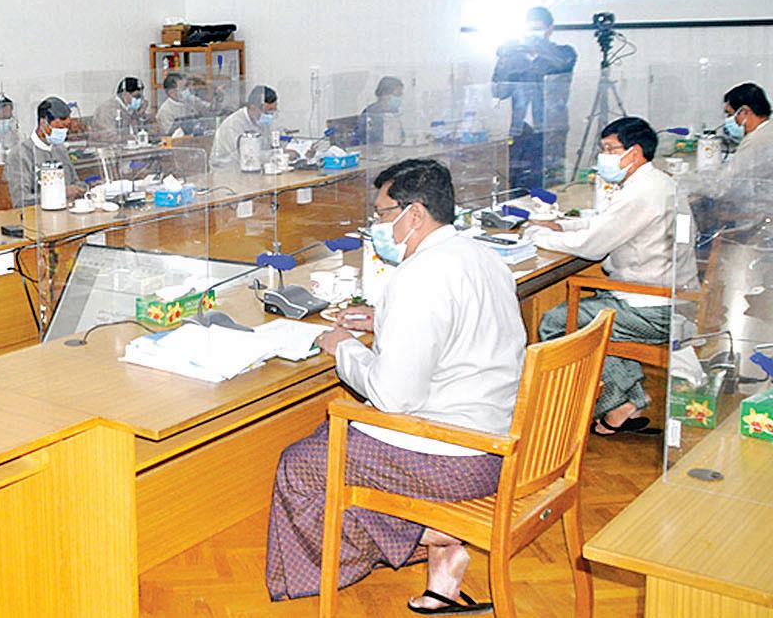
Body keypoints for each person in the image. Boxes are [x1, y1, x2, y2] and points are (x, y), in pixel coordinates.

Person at [267, 159, 525, 612]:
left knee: (301, 466)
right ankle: (443, 569)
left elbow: (392, 396)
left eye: (383, 214)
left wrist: (344, 347)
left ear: (415, 214)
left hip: (452, 459)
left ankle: (436, 532)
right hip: (495, 443)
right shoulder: (483, 256)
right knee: (330, 447)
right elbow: (458, 328)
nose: (377, 226)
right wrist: (384, 319)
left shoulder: (418, 277)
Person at [528, 117, 697, 436]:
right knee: (596, 310)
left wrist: (537, 237)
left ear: (634, 152)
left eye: (609, 149)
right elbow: (604, 224)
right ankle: (627, 400)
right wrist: (560, 226)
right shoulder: (655, 183)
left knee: (557, 322)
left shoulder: (642, 192)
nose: (603, 157)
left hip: (654, 309)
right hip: (664, 296)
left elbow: (592, 246)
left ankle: (614, 403)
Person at [492, 6, 578, 189]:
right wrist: (506, 57)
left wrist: (537, 47)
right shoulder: (516, 56)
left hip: (550, 128)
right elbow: (499, 91)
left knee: (550, 183)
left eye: (537, 29)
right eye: (529, 29)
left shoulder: (564, 53)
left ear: (550, 29)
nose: (532, 34)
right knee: (518, 183)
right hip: (520, 129)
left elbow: (561, 65)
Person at [4, 96, 84, 207]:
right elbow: (20, 200)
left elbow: (75, 182)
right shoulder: (20, 154)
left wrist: (86, 188)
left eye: (66, 128)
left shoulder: (60, 149)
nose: (64, 132)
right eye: (60, 128)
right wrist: (61, 193)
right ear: (43, 123)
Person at [720, 82, 773, 177]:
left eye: (730, 114)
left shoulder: (755, 141)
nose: (728, 120)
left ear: (744, 111)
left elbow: (726, 180)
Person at [212, 85, 282, 169]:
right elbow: (246, 155)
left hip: (253, 168)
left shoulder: (261, 121)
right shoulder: (233, 125)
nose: (270, 115)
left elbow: (271, 143)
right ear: (253, 108)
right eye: (268, 111)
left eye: (273, 111)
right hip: (227, 171)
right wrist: (275, 154)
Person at [87, 76, 155, 144]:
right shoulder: (107, 110)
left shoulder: (132, 110)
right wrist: (132, 138)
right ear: (124, 94)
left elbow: (153, 132)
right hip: (106, 148)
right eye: (137, 96)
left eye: (142, 97)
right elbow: (108, 138)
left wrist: (141, 115)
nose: (140, 100)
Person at [357, 76, 406, 145]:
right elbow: (362, 137)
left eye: (401, 94)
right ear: (384, 94)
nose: (400, 97)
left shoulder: (394, 112)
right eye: (397, 94)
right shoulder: (370, 113)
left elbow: (401, 135)